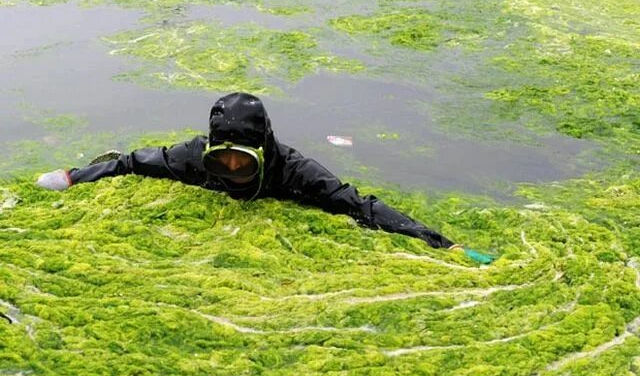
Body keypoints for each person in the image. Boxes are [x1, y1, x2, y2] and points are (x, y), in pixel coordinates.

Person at [36, 92, 494, 263]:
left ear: (262, 152)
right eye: (223, 162)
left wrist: (441, 242)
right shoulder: (192, 158)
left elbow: (361, 206)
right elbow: (132, 162)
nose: (232, 172)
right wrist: (74, 177)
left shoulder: (294, 172)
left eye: (243, 162)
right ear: (210, 152)